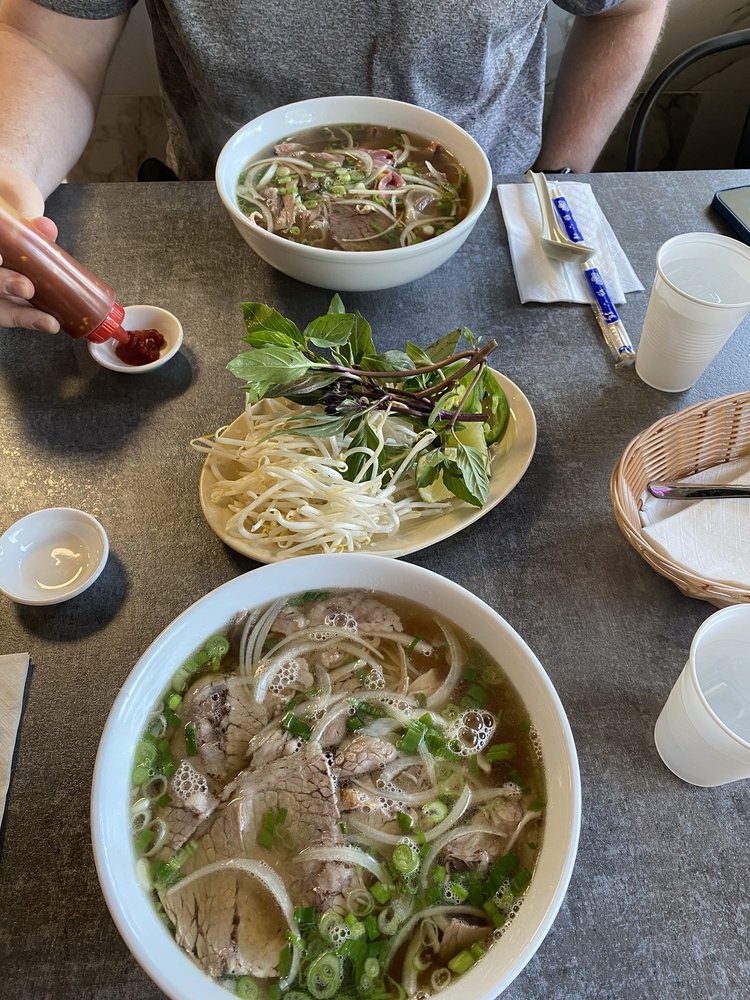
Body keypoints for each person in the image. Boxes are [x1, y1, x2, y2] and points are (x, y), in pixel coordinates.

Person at [0, 0, 668, 333]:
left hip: (493, 236)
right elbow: (42, 36)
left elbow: (628, 6)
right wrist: (9, 165)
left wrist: (557, 180)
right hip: (226, 233)